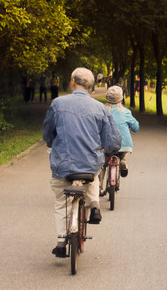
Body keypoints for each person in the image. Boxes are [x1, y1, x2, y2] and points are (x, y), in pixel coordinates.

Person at [43, 67, 122, 258]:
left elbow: (47, 133)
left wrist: (54, 144)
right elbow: (112, 141)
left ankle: (61, 242)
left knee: (62, 202)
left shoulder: (57, 104)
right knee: (93, 174)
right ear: (91, 86)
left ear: (72, 82)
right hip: (89, 166)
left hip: (63, 165)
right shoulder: (100, 108)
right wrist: (107, 150)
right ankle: (93, 204)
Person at [99, 86, 139, 194]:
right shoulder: (126, 112)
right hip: (123, 144)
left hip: (107, 145)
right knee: (124, 151)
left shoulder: (102, 111)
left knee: (102, 165)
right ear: (121, 98)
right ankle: (123, 161)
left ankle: (99, 186)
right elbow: (136, 127)